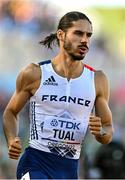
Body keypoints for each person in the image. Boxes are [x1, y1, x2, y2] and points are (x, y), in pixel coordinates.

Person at [3, 11, 114, 179]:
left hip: (69, 170)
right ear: (61, 35)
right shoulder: (35, 73)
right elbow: (10, 112)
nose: (85, 40)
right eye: (78, 33)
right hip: (35, 163)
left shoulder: (97, 79)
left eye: (88, 35)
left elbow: (108, 131)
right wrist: (12, 139)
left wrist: (100, 132)